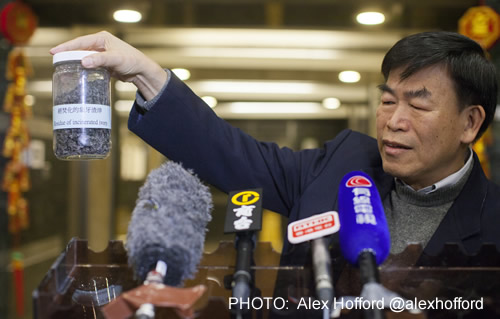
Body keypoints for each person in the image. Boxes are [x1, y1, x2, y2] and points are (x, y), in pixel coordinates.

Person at [51, 31, 500, 266]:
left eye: (417, 104)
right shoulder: (344, 162)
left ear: (470, 122)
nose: (394, 120)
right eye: (387, 100)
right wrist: (144, 72)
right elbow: (228, 153)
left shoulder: (493, 221)